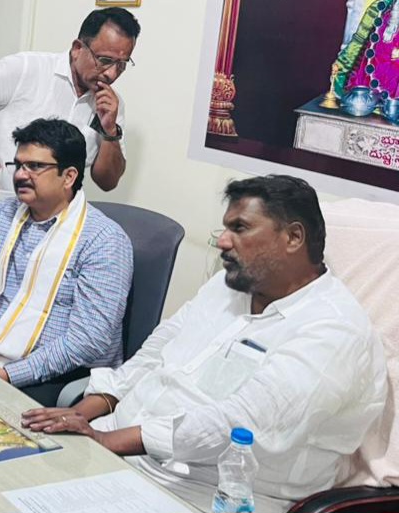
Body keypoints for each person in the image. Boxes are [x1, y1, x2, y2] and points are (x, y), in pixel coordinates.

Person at [21, 175, 387, 512]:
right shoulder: (227, 288)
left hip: (207, 493)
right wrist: (83, 413)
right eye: (225, 228)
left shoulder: (334, 331)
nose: (223, 241)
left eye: (240, 228)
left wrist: (108, 441)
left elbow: (240, 423)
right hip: (119, 454)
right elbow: (154, 354)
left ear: (293, 238)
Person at [0, 8, 137, 312]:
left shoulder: (110, 105)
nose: (111, 74)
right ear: (77, 48)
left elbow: (107, 181)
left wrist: (110, 131)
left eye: (122, 64)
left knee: (21, 322)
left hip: (47, 241)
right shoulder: (29, 68)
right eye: (105, 60)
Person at [0, 119, 133, 405]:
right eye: (18, 165)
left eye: (34, 166)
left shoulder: (103, 240)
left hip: (56, 376)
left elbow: (88, 340)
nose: (20, 175)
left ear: (68, 177)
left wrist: (10, 374)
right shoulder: (4, 215)